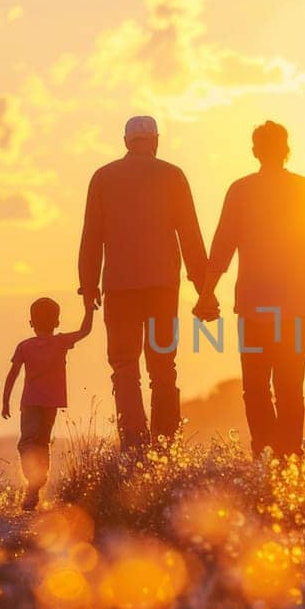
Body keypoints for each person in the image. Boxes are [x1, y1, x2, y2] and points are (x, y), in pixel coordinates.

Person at [195, 120, 305, 461]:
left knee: (256, 388)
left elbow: (221, 248)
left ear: (255, 151)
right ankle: (289, 459)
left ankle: (264, 455)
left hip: (253, 308)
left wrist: (206, 294)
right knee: (290, 388)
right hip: (295, 307)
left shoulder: (241, 190)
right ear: (287, 149)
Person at [78, 116, 208, 451]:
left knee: (124, 367)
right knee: (163, 368)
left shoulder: (103, 178)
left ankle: (133, 446)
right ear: (155, 140)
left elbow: (91, 237)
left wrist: (89, 285)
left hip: (119, 288)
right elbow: (190, 234)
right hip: (162, 287)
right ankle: (165, 447)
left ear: (126, 142)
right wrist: (203, 286)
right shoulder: (172, 175)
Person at [2, 297, 92, 510]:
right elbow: (85, 331)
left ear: (31, 322)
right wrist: (89, 308)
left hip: (31, 402)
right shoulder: (61, 342)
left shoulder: (24, 346)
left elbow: (12, 374)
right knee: (42, 443)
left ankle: (34, 484)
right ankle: (36, 485)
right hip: (51, 403)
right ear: (57, 322)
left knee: (26, 443)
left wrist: (5, 401)